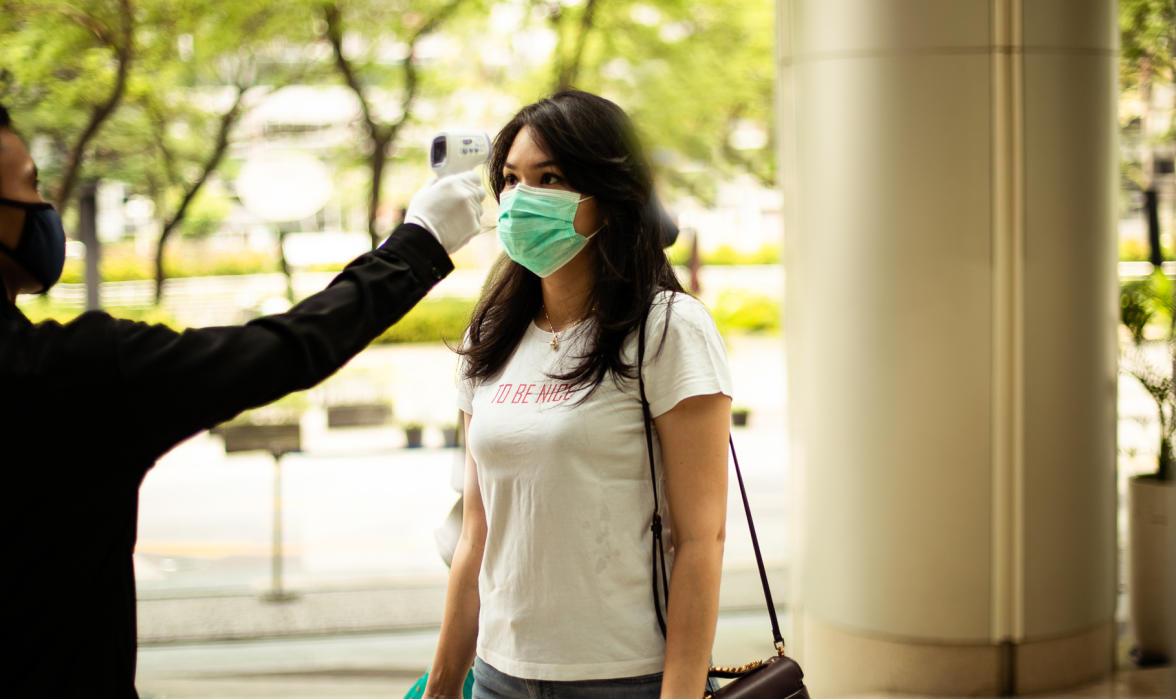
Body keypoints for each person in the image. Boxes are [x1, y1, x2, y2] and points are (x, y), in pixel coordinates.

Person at [0, 102, 486, 697]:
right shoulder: (75, 373)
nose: (45, 208)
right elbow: (285, 348)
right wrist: (420, 245)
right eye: (29, 187)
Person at [424, 90, 733, 699]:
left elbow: (701, 540)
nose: (520, 198)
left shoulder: (668, 327)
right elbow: (475, 534)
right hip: (496, 675)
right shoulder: (490, 335)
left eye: (551, 177)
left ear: (610, 200)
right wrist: (440, 687)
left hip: (621, 678)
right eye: (510, 179)